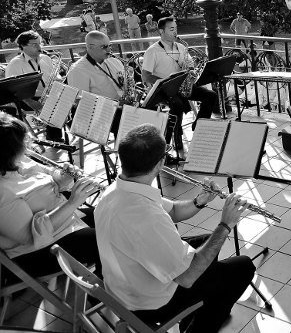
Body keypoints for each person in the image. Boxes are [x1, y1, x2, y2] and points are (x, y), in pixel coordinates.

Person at [94, 124, 255, 333]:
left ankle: (204, 306)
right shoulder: (146, 218)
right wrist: (225, 225)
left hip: (122, 286)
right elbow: (187, 278)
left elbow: (173, 211)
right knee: (242, 267)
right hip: (148, 304)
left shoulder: (114, 192)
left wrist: (200, 200)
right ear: (160, 163)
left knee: (206, 241)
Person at [0, 112, 100, 282]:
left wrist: (65, 177)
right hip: (37, 251)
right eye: (23, 143)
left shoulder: (20, 161)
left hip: (65, 222)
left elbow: (50, 178)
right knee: (108, 239)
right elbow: (32, 236)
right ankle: (104, 290)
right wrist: (73, 203)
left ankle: (108, 277)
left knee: (112, 217)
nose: (28, 145)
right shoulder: (3, 192)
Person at [142, 17, 219, 151]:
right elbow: (145, 75)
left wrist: (191, 70)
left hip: (183, 86)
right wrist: (166, 82)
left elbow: (189, 65)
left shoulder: (182, 47)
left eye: (176, 29)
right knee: (177, 104)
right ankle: (174, 139)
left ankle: (199, 126)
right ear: (161, 31)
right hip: (165, 89)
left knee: (211, 95)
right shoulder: (152, 51)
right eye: (171, 29)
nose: (175, 32)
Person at [5, 31, 63, 141]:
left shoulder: (45, 58)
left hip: (47, 96)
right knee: (53, 107)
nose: (39, 47)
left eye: (40, 43)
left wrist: (58, 80)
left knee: (67, 101)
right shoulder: (15, 64)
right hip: (27, 99)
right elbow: (12, 90)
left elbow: (55, 77)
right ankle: (54, 138)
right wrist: (32, 103)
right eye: (34, 45)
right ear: (23, 46)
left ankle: (62, 130)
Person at [66, 31, 124, 103]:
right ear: (91, 47)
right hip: (103, 111)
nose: (109, 50)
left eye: (110, 46)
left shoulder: (115, 61)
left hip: (123, 106)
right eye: (104, 47)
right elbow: (79, 102)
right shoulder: (77, 70)